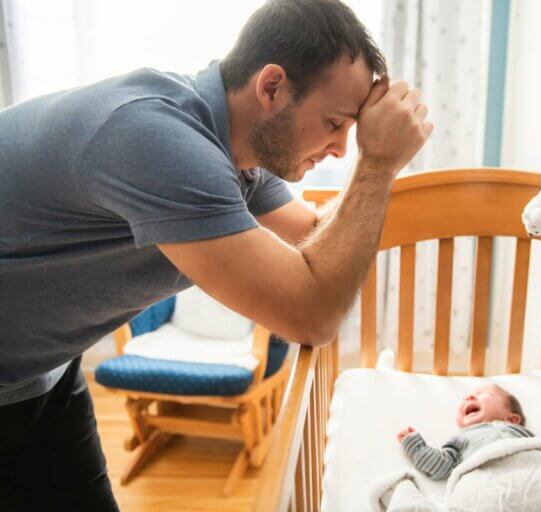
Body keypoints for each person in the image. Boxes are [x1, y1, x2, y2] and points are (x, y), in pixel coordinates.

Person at [0, 0, 432, 509]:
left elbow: (314, 234)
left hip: (37, 370)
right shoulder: (160, 142)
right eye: (335, 123)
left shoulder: (229, 152)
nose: (342, 149)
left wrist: (377, 168)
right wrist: (378, 166)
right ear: (271, 88)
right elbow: (312, 315)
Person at [396, 385, 541, 480]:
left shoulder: (525, 436)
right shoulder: (462, 439)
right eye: (466, 398)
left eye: (484, 393)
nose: (469, 397)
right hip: (488, 481)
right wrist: (416, 447)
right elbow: (441, 468)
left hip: (534, 475)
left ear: (512, 419)